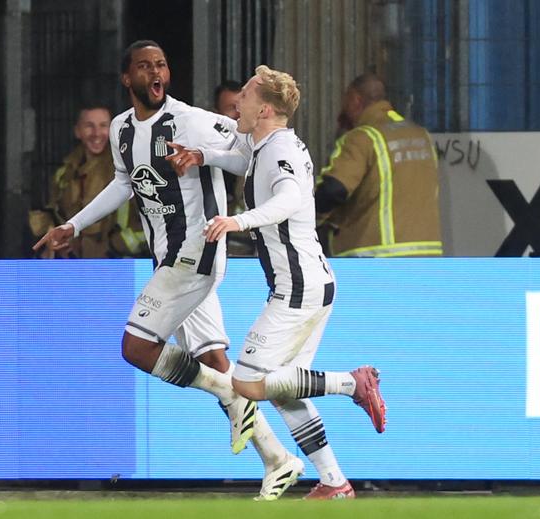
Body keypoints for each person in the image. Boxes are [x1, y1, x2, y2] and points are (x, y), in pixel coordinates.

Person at [33, 40, 297, 501]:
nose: (156, 72)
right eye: (145, 66)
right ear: (127, 78)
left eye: (161, 64)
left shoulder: (193, 120)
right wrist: (73, 225)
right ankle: (278, 459)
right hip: (169, 260)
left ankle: (234, 395)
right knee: (215, 362)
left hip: (196, 253)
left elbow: (247, 153)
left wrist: (203, 156)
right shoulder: (121, 130)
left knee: (135, 347)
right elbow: (123, 182)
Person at [170, 65, 387, 500]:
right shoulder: (267, 145)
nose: (238, 103)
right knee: (285, 388)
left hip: (300, 286)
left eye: (246, 96)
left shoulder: (280, 150)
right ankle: (334, 482)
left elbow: (290, 198)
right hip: (306, 281)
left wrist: (237, 221)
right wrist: (203, 155)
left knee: (248, 383)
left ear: (265, 108)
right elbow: (244, 161)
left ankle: (352, 383)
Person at [315, 73, 443, 258]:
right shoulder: (422, 136)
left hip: (377, 257)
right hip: (428, 255)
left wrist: (305, 217)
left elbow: (335, 189)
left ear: (355, 100)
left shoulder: (362, 138)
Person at [29, 105, 147, 259]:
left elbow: (154, 224)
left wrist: (114, 245)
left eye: (103, 126)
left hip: (122, 268)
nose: (96, 133)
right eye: (89, 126)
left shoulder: (131, 170)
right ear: (77, 131)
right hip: (72, 266)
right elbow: (53, 216)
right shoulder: (63, 174)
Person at [213, 80, 254, 257]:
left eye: (241, 107)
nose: (238, 114)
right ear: (216, 114)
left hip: (250, 255)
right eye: (231, 107)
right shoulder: (205, 151)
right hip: (209, 251)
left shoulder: (261, 149)